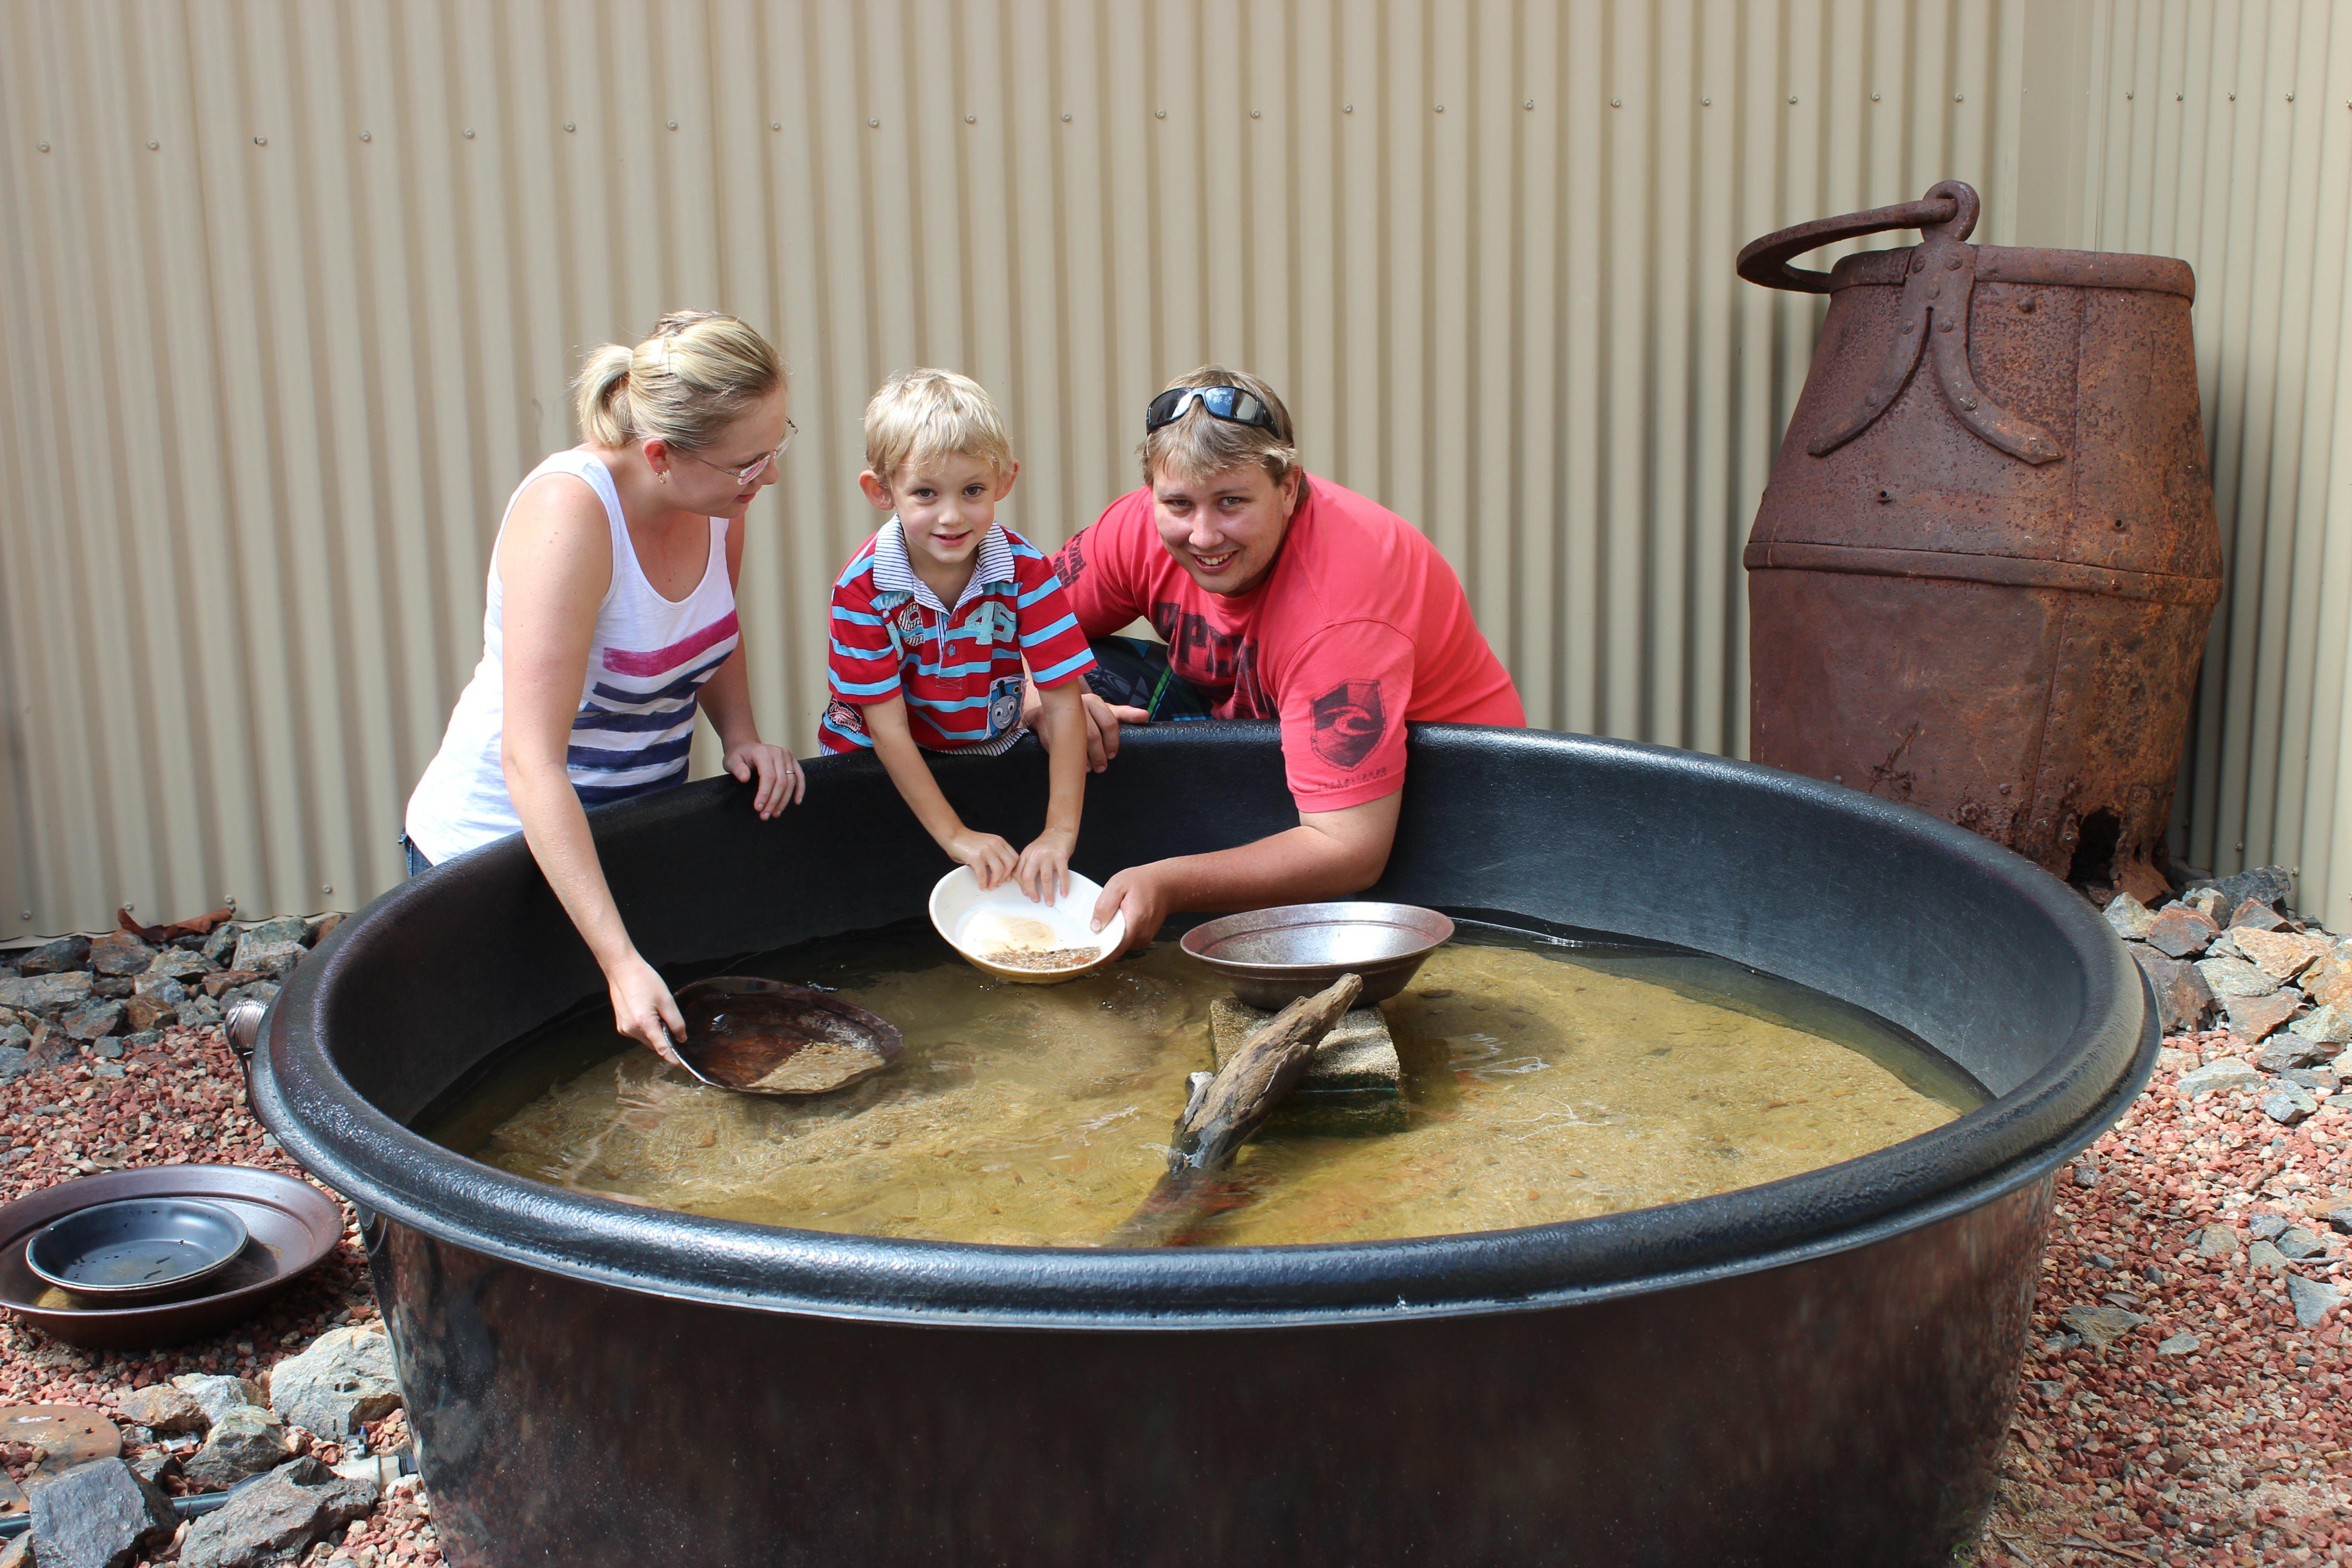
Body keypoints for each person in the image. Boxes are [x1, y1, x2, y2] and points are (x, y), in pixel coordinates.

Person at [403, 311, 802, 1060]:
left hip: (630, 828)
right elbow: (531, 760)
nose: (769, 475)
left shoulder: (715, 501)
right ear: (659, 454)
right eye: (749, 461)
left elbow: (710, 631)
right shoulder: (570, 515)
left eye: (775, 448)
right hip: (503, 851)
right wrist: (619, 961)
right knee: (525, 1076)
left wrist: (741, 735)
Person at [1037, 366, 1524, 947]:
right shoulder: (1136, 528)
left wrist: (1171, 883)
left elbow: (1351, 850)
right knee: (1075, 677)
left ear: (1288, 488)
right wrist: (1035, 696)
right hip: (1262, 728)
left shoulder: (1340, 608)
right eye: (1179, 504)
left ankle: (1153, 882)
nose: (1203, 536)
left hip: (1440, 801)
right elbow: (1013, 629)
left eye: (1232, 503)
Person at [819, 370, 1096, 901]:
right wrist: (955, 836)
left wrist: (1059, 832)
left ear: (1004, 482)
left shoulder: (1025, 571)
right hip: (872, 760)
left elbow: (1064, 705)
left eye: (973, 491)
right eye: (925, 493)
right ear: (881, 491)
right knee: (880, 895)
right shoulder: (863, 590)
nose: (951, 517)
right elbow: (888, 732)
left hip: (986, 743)